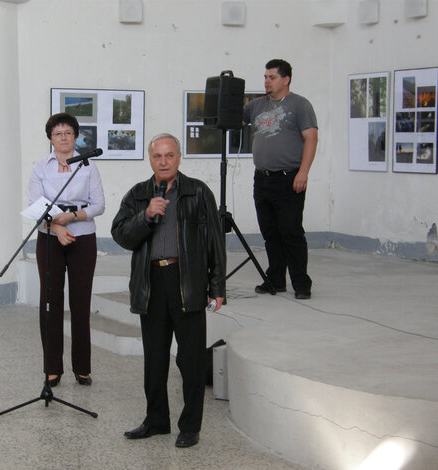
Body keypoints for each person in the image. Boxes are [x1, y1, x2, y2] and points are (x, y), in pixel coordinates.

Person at [111, 133, 225, 448]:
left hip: (186, 281)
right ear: (151, 159)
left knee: (191, 360)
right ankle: (156, 420)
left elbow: (215, 241)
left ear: (178, 157)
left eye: (169, 155)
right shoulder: (138, 194)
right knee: (155, 359)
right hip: (151, 283)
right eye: (158, 156)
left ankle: (190, 426)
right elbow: (121, 235)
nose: (164, 161)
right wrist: (146, 216)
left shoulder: (198, 192)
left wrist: (218, 286)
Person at [28, 112, 105, 387]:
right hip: (49, 238)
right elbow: (37, 206)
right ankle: (52, 367)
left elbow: (98, 205)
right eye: (58, 133)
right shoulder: (40, 168)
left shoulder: (88, 167)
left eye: (68, 133)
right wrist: (57, 229)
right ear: (50, 138)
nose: (63, 138)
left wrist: (71, 219)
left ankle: (82, 367)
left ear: (76, 136)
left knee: (80, 303)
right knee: (50, 303)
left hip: (82, 236)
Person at [243, 59, 318, 300]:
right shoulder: (256, 105)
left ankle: (301, 284)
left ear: (285, 80)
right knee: (270, 233)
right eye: (265, 77)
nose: (266, 81)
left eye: (271, 77)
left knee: (291, 232)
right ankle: (275, 280)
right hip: (262, 179)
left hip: (289, 179)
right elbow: (233, 119)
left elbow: (311, 138)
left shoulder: (299, 105)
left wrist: (303, 172)